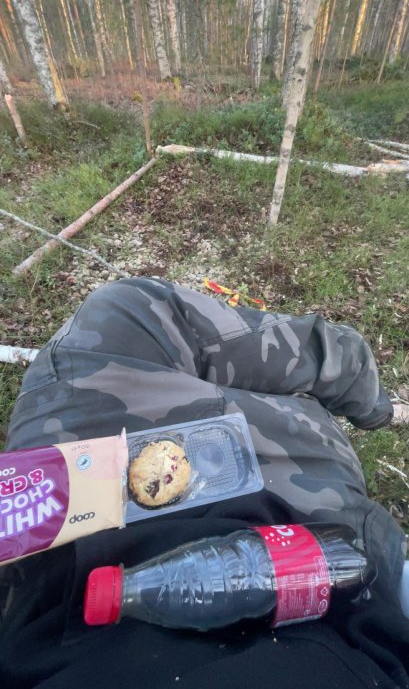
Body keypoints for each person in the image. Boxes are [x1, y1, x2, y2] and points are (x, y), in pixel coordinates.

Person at [1, 277, 408, 689]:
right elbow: (321, 351)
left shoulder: (104, 356)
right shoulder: (106, 347)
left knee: (125, 311)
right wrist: (373, 408)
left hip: (55, 580)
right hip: (353, 575)